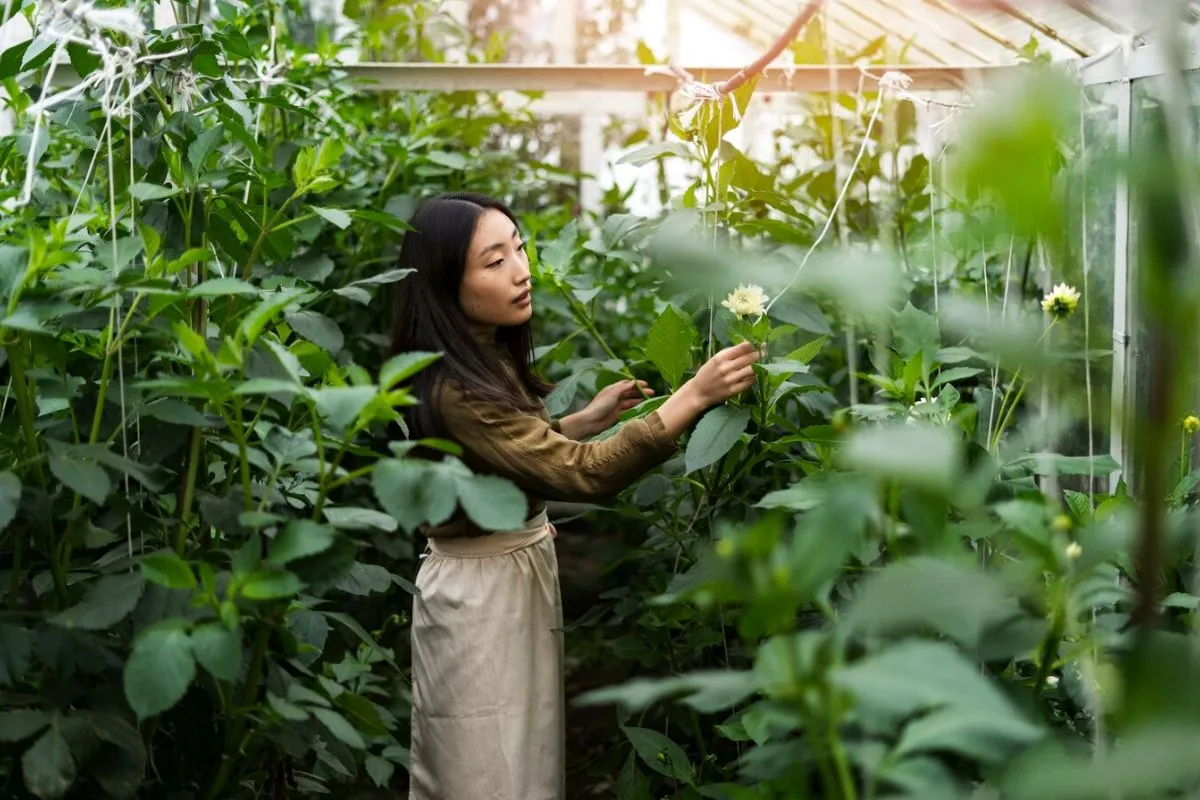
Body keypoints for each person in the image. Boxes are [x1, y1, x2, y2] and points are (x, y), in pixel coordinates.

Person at [389, 191, 761, 800]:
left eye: (520, 247)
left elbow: (510, 452)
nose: (522, 269)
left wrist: (578, 423)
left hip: (507, 579)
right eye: (494, 260)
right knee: (482, 764)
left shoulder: (477, 355)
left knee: (520, 752)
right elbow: (583, 476)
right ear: (440, 283)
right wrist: (691, 397)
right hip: (481, 597)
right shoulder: (458, 387)